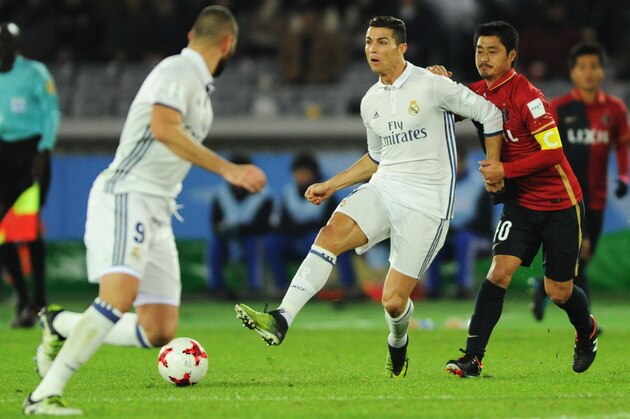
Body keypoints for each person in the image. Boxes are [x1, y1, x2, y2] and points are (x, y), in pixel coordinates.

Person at [24, 6, 267, 415]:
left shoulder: (199, 89)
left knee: (158, 329)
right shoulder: (178, 71)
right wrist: (228, 169)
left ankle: (60, 323)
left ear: (192, 33)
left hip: (158, 208)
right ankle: (43, 395)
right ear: (228, 45)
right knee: (118, 297)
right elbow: (162, 126)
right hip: (128, 194)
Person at [235, 15, 504, 379]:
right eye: (367, 42)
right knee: (329, 235)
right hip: (385, 189)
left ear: (402, 47)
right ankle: (282, 317)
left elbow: (488, 112)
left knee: (393, 302)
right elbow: (377, 158)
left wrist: (493, 162)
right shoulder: (370, 101)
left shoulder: (433, 84)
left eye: (381, 42)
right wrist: (333, 184)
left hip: (427, 205)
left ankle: (398, 340)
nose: (372, 49)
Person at [433, 21, 597, 378]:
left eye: (493, 51)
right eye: (479, 50)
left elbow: (553, 153)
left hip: (559, 203)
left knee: (558, 291)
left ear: (512, 56)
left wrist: (505, 170)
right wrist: (437, 80)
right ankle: (473, 359)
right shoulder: (479, 93)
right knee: (498, 273)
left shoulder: (530, 98)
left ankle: (587, 331)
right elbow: (448, 103)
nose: (484, 58)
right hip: (520, 204)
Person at [530, 42, 629, 322]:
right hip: (567, 194)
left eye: (594, 67)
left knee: (583, 258)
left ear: (602, 72)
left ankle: (544, 287)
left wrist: (623, 176)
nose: (588, 73)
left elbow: (622, 145)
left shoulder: (615, 109)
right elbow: (544, 148)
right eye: (582, 67)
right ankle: (586, 323)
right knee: (580, 251)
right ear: (572, 73)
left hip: (597, 196)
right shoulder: (560, 108)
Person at [0, 22, 60, 328]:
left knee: (29, 228)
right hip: (2, 153)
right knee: (3, 230)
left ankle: (38, 299)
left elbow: (51, 110)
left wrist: (44, 149)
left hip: (30, 153)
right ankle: (24, 298)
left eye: (6, 41)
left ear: (15, 44)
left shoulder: (34, 73)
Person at [265, 153, 358, 297]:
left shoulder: (326, 192)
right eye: (297, 173)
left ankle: (349, 288)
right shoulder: (288, 192)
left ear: (313, 174)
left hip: (317, 240)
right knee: (273, 242)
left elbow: (332, 223)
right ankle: (282, 288)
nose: (300, 176)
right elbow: (282, 224)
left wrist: (304, 226)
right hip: (293, 239)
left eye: (304, 173)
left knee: (318, 239)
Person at [425, 146, 493, 300]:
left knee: (464, 239)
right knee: (431, 239)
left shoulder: (478, 185)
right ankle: (432, 289)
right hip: (447, 236)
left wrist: (456, 230)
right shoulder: (438, 186)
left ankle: (464, 288)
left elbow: (484, 221)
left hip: (478, 238)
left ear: (463, 162)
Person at [208, 154, 274, 299]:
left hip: (252, 238)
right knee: (215, 244)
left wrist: (241, 229)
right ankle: (217, 289)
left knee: (255, 243)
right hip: (228, 238)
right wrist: (227, 231)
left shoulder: (264, 194)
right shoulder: (220, 193)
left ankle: (255, 288)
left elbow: (263, 226)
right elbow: (215, 224)